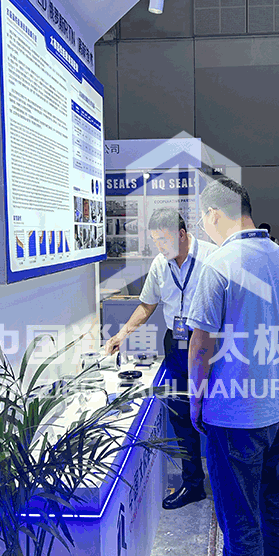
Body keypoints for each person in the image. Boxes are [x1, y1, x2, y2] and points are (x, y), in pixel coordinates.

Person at [186, 177, 279, 556]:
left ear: (214, 214)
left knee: (240, 520)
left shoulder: (219, 264)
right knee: (276, 509)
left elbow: (200, 346)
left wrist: (196, 400)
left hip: (235, 415)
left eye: (203, 219)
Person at [105, 209, 216, 510]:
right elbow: (147, 305)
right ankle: (193, 484)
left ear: (182, 234)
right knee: (181, 415)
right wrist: (122, 334)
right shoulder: (160, 264)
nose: (160, 247)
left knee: (215, 412)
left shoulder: (212, 258)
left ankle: (224, 485)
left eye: (164, 240)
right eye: (155, 241)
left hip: (208, 343)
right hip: (176, 344)